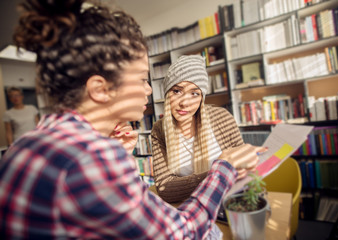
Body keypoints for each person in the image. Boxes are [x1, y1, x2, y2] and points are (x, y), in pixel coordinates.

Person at [0, 0, 263, 239]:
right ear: (101, 89)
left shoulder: (25, 145)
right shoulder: (91, 156)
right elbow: (180, 234)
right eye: (141, 79)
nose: (149, 89)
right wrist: (224, 167)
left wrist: (121, 156)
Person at [151, 55, 254, 203]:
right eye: (177, 91)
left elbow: (242, 171)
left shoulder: (222, 118)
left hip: (227, 201)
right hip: (188, 206)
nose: (184, 103)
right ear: (167, 94)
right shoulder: (159, 130)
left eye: (194, 93)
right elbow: (165, 190)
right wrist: (217, 173)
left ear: (202, 98)